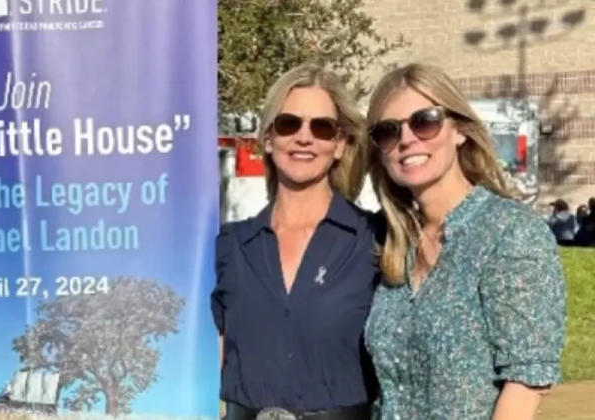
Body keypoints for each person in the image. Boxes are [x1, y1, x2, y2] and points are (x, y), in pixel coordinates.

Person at [364, 63, 565, 419]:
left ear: (460, 130)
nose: (407, 139)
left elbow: (525, 385)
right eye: (388, 131)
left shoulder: (509, 232)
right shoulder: (393, 241)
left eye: (425, 120)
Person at [212, 64, 378, 420]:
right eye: (289, 123)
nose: (305, 137)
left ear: (340, 144)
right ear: (269, 138)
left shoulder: (376, 242)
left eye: (322, 127)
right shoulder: (228, 247)